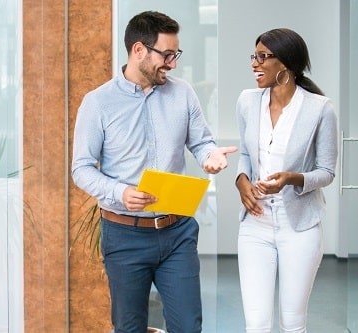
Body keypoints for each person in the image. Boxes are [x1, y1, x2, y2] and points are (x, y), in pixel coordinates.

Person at [72, 10, 236, 333]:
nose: (173, 63)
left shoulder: (183, 93)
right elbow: (81, 169)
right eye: (167, 55)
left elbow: (202, 142)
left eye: (176, 55)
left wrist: (210, 156)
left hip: (177, 233)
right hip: (124, 234)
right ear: (138, 50)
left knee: (188, 326)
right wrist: (121, 193)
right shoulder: (98, 103)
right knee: (129, 327)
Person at [235, 28, 338, 332]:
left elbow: (326, 172)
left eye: (263, 57)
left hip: (300, 226)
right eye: (254, 56)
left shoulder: (320, 109)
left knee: (292, 323)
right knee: (256, 324)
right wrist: (241, 180)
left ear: (286, 64)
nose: (255, 63)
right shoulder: (247, 101)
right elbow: (244, 153)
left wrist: (291, 178)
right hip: (255, 223)